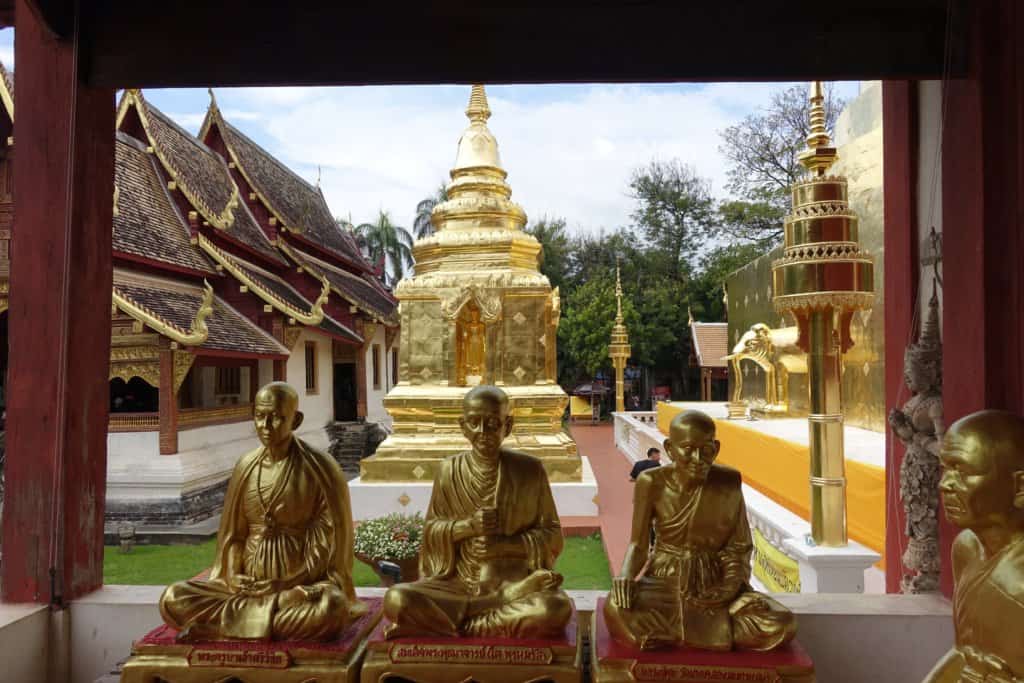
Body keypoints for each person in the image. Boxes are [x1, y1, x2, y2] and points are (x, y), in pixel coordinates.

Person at [159, 382, 365, 641]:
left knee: (331, 608)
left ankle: (219, 628)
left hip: (298, 589)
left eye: (277, 417)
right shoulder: (246, 467)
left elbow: (329, 545)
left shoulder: (321, 470)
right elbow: (234, 537)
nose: (266, 427)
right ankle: (255, 623)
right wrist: (234, 575)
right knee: (173, 598)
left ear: (296, 420)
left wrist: (288, 583)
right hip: (246, 588)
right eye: (259, 416)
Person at [382, 385, 573, 639]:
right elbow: (431, 532)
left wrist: (505, 547)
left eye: (493, 423)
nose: (483, 432)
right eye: (474, 422)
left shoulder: (530, 470)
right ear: (463, 426)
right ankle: (485, 612)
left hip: (512, 580)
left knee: (554, 608)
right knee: (396, 598)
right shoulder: (448, 470)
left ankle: (452, 623)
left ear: (508, 425)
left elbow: (553, 536)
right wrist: (467, 527)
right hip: (456, 583)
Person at [604, 410, 796, 651]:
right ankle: (704, 633)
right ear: (669, 448)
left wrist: (727, 590)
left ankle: (674, 634)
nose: (698, 458)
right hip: (665, 579)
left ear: (715, 449)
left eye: (706, 449)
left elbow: (738, 548)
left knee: (782, 622)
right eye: (687, 448)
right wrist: (625, 576)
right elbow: (639, 545)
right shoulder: (651, 482)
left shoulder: (728, 483)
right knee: (615, 607)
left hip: (713, 583)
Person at [922, 410, 1024, 682]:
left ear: (1020, 486)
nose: (945, 484)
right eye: (946, 469)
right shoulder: (966, 548)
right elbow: (964, 652)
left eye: (963, 471)